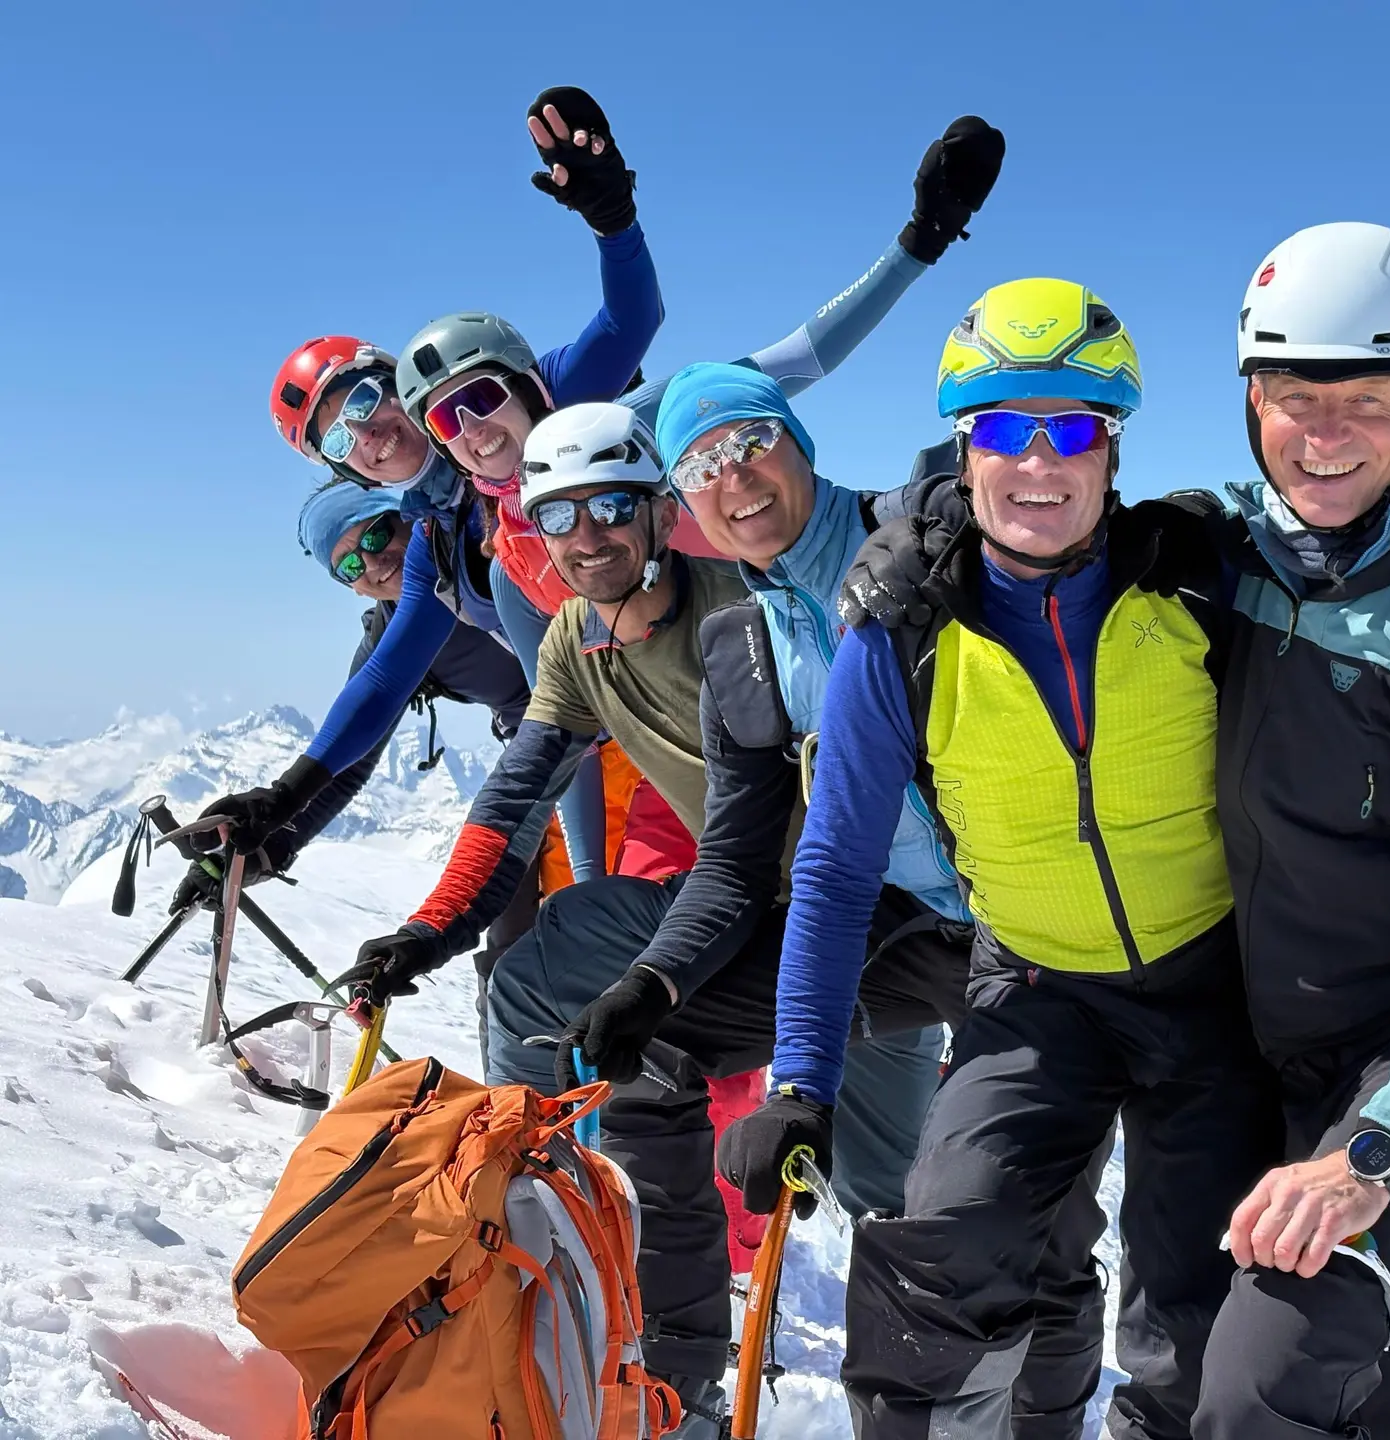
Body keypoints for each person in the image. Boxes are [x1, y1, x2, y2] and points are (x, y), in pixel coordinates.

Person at [839, 229, 1390, 1440]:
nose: (1328, 431)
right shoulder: (1233, 563)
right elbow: (1050, 518)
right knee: (1382, 1402)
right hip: (1289, 1053)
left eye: (1369, 398)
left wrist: (1378, 1148)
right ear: (1251, 402)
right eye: (1297, 397)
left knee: (1256, 1394)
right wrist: (923, 527)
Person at [336, 395, 981, 1439]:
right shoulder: (575, 646)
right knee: (619, 1019)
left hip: (882, 913)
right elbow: (517, 797)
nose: (587, 540)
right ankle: (668, 1377)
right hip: (752, 920)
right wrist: (434, 928)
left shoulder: (739, 598)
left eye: (610, 509)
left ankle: (954, 1394)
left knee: (893, 1187)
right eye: (560, 517)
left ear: (655, 511)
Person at [718, 280, 1273, 1440]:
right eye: (1005, 428)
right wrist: (800, 1083)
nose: (1039, 461)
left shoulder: (1196, 581)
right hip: (1031, 995)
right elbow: (833, 865)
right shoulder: (903, 632)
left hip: (1209, 993)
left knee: (1197, 1321)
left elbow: (1352, 584)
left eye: (1071, 426)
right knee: (943, 1252)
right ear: (962, 449)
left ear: (1111, 447)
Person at [210, 112, 1005, 885]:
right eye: (342, 444)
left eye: (361, 406)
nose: (375, 436)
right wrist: (285, 807)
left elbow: (775, 358)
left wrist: (919, 242)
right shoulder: (477, 555)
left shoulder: (597, 422)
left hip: (833, 642)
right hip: (715, 736)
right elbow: (493, 709)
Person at [170, 481, 538, 1054]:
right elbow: (349, 759)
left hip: (589, 741)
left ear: (404, 518)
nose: (372, 561)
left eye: (374, 534)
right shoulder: (389, 637)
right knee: (513, 964)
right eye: (348, 565)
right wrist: (266, 845)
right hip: (541, 761)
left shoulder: (478, 557)